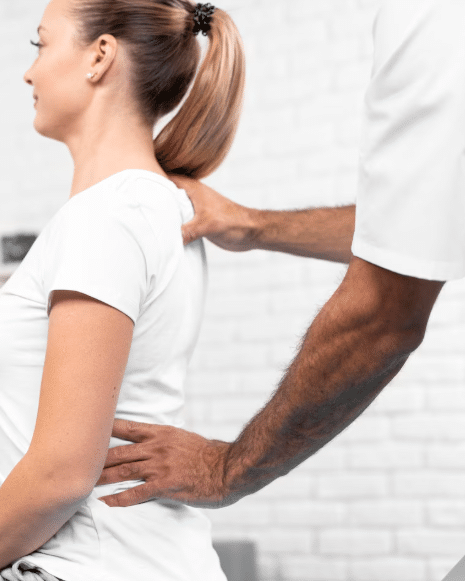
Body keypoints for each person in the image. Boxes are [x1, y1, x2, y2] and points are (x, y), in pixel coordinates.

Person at [94, 2, 465, 578]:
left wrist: (226, 469)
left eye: (41, 44)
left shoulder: (434, 19)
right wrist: (254, 226)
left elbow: (382, 315)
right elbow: (421, 225)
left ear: (100, 58)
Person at [0, 1, 245, 580]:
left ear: (100, 56)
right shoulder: (151, 206)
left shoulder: (109, 215)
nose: (29, 72)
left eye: (41, 44)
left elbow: (61, 475)